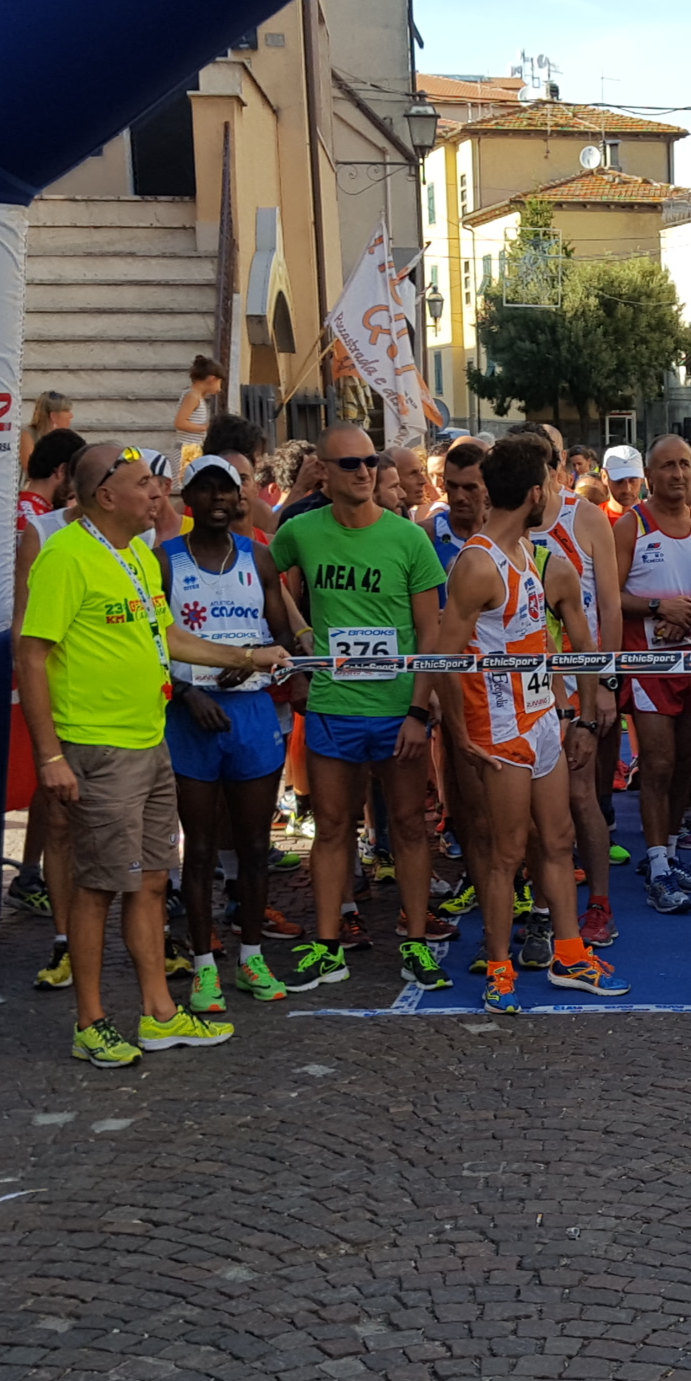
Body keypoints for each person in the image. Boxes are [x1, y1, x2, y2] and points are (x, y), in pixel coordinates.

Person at [18, 444, 288, 1065]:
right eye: (144, 484)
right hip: (98, 746)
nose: (157, 494)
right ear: (106, 496)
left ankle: (160, 1014)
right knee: (97, 888)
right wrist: (50, 756)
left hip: (150, 741)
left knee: (149, 881)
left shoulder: (140, 554)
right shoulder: (66, 556)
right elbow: (31, 655)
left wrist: (248, 656)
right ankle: (90, 1022)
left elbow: (168, 636)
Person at [433, 431, 630, 1011]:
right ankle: (499, 969)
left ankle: (569, 954)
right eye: (549, 485)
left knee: (558, 838)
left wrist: (581, 716)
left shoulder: (531, 554)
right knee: (506, 851)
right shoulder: (477, 564)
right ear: (535, 493)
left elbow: (570, 644)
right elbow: (444, 657)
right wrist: (460, 734)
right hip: (498, 726)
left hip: (541, 717)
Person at [273, 424, 451, 991]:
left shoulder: (408, 538)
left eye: (370, 461)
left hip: (397, 708)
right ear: (322, 473)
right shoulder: (301, 531)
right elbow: (262, 574)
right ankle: (328, 946)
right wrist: (300, 637)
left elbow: (431, 632)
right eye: (349, 464)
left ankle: (416, 941)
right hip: (334, 704)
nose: (363, 472)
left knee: (409, 826)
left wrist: (419, 711)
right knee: (332, 827)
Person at [158, 455, 298, 1007]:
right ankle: (203, 966)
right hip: (191, 716)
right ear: (187, 499)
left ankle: (252, 959)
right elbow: (150, 643)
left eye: (227, 489)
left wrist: (259, 657)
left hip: (251, 714)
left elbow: (284, 638)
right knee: (198, 849)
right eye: (206, 488)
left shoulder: (259, 558)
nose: (218, 498)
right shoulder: (164, 559)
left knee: (256, 845)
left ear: (239, 497)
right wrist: (186, 693)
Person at [613, 435, 691, 912]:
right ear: (649, 476)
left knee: (687, 760)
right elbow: (611, 596)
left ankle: (672, 853)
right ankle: (657, 865)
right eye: (667, 466)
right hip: (649, 665)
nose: (678, 474)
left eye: (684, 465)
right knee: (657, 763)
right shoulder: (632, 525)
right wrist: (660, 607)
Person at [539, 428, 626, 948]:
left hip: (579, 680)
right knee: (527, 806)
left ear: (559, 466)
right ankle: (539, 907)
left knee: (580, 794)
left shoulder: (584, 516)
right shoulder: (500, 522)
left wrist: (606, 683)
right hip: (523, 686)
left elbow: (610, 605)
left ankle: (599, 903)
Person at [11, 428, 89, 949]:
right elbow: (26, 618)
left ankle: (31, 875)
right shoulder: (37, 523)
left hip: (76, 684)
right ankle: (57, 922)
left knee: (55, 795)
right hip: (51, 678)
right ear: (67, 476)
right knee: (52, 789)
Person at [171, 354, 221, 457]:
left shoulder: (198, 397)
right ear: (212, 379)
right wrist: (204, 427)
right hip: (187, 449)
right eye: (220, 383)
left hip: (193, 448)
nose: (219, 389)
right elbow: (180, 423)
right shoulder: (192, 396)